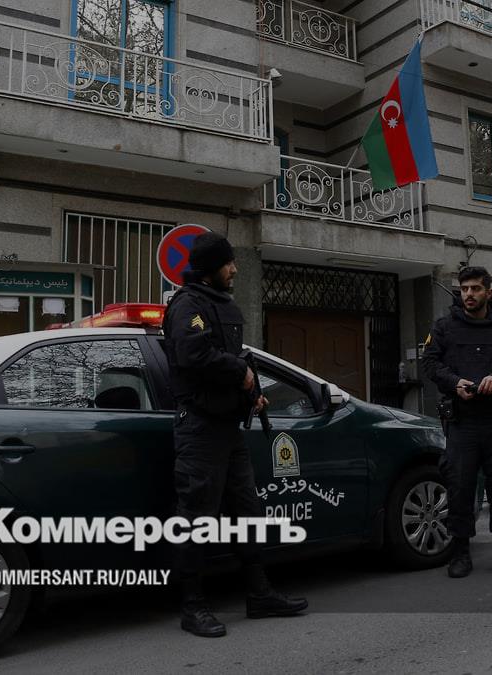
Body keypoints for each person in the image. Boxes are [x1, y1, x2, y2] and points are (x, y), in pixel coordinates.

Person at [162, 232, 307, 638]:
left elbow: (228, 361)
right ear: (211, 267)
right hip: (200, 429)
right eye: (228, 263)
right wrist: (239, 371)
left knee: (247, 512)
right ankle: (192, 607)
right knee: (196, 518)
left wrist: (251, 395)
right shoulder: (188, 305)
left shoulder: (219, 303)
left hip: (228, 427)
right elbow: (194, 355)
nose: (235, 269)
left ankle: (259, 595)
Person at [421, 266, 492, 578]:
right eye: (464, 289)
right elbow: (430, 362)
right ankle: (460, 554)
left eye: (475, 289)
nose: (469, 294)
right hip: (463, 422)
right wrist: (454, 382)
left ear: (488, 292)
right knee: (459, 487)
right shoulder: (445, 326)